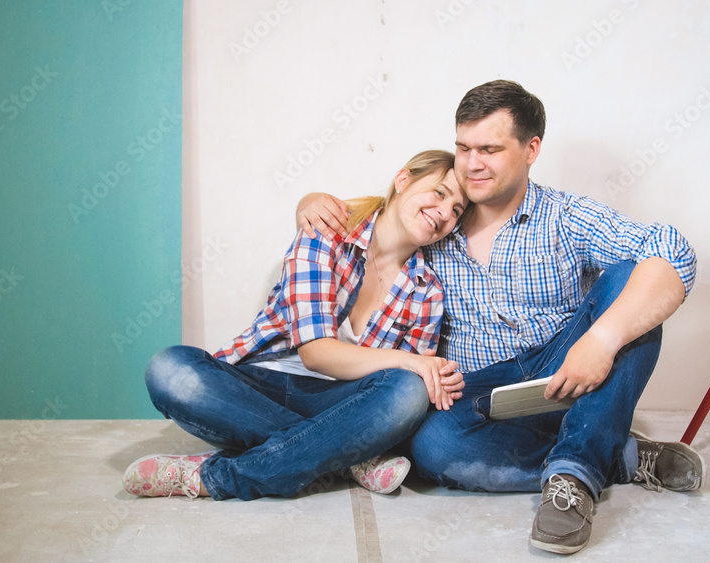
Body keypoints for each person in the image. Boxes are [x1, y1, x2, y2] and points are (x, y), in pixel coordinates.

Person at [296, 80, 704, 555]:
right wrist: (310, 204)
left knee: (635, 276)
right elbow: (377, 230)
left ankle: (572, 480)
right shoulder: (435, 222)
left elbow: (673, 252)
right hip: (482, 392)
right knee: (431, 448)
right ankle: (619, 456)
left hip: (572, 369)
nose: (471, 164)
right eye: (463, 147)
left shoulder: (564, 216)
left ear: (531, 149)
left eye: (489, 149)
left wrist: (602, 341)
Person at [123, 149, 469, 501]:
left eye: (457, 210)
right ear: (403, 179)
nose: (444, 212)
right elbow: (316, 353)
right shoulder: (328, 228)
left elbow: (404, 381)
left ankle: (219, 477)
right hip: (259, 388)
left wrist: (417, 371)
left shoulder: (427, 290)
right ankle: (343, 457)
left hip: (343, 404)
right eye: (439, 193)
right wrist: (409, 362)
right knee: (169, 370)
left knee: (409, 391)